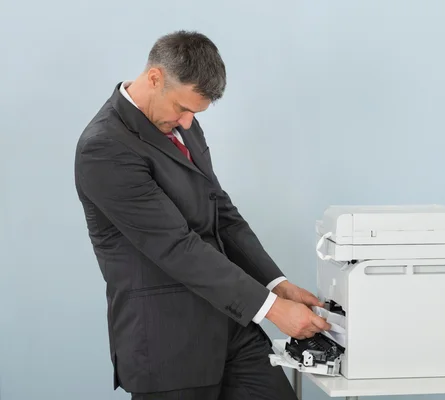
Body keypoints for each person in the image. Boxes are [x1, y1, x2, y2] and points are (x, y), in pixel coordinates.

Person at [74, 30, 331, 400]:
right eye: (182, 108)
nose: (188, 123)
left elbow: (221, 213)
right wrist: (273, 309)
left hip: (231, 322)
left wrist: (277, 283)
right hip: (168, 344)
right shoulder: (104, 148)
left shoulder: (181, 123)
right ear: (155, 78)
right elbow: (177, 247)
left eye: (195, 112)